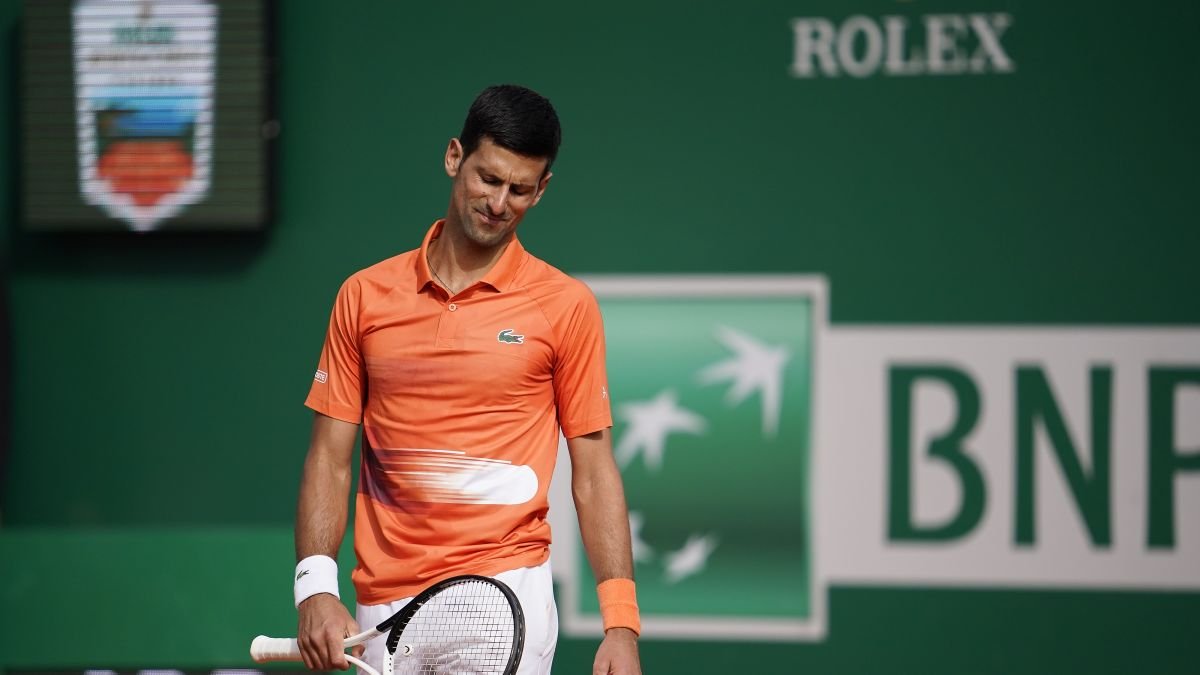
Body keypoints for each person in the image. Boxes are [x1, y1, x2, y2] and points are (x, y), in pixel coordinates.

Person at [292, 84, 642, 675]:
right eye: (489, 178)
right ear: (455, 157)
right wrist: (315, 589)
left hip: (506, 592)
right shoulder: (363, 296)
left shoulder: (566, 306)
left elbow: (593, 471)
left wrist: (621, 625)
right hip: (383, 604)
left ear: (542, 190)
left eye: (520, 189)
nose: (499, 202)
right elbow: (329, 458)